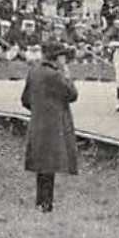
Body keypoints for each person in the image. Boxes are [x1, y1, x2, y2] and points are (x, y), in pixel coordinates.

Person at [22, 42, 79, 212]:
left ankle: (41, 201)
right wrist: (67, 75)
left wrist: (39, 108)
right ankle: (46, 204)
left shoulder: (34, 71)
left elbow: (25, 100)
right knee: (50, 165)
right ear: (58, 57)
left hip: (38, 122)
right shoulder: (55, 75)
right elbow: (72, 94)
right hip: (54, 125)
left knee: (42, 166)